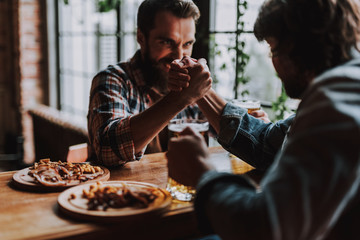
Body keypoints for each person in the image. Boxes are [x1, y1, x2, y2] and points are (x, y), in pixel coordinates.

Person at [166, 0, 360, 239]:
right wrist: (201, 90)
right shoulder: (348, 86)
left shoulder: (334, 101)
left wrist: (202, 174)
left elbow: (264, 228)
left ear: (298, 46)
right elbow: (268, 145)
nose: (273, 62)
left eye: (274, 49)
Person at [87, 0, 212, 167]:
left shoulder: (191, 82)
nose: (179, 56)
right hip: (121, 191)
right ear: (141, 38)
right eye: (167, 42)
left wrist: (250, 125)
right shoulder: (112, 79)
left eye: (187, 44)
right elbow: (107, 150)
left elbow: (222, 135)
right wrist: (180, 99)